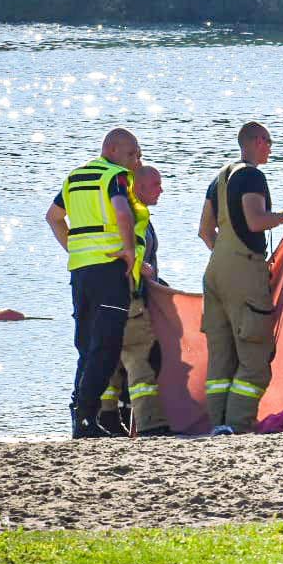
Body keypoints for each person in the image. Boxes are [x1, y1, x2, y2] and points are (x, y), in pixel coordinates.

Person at [198, 121, 283, 435]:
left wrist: (223, 254)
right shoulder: (251, 175)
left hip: (215, 270)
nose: (271, 148)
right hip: (244, 270)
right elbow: (255, 221)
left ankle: (218, 425)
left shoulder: (220, 177)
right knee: (255, 357)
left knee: (221, 360)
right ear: (258, 141)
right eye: (269, 142)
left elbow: (204, 230)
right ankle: (237, 427)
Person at [47, 128, 142, 438]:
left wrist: (74, 247)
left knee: (86, 345)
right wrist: (129, 251)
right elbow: (123, 212)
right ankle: (87, 417)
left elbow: (53, 217)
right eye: (132, 154)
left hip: (81, 271)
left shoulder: (74, 178)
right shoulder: (115, 176)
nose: (136, 162)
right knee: (108, 345)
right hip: (109, 269)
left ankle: (81, 418)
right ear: (112, 150)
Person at [99, 165, 172, 436]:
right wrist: (141, 269)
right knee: (140, 359)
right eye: (156, 185)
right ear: (138, 188)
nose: (161, 190)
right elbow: (123, 249)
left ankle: (106, 417)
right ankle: (150, 423)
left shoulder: (136, 214)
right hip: (130, 296)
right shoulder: (131, 214)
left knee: (112, 360)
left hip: (113, 296)